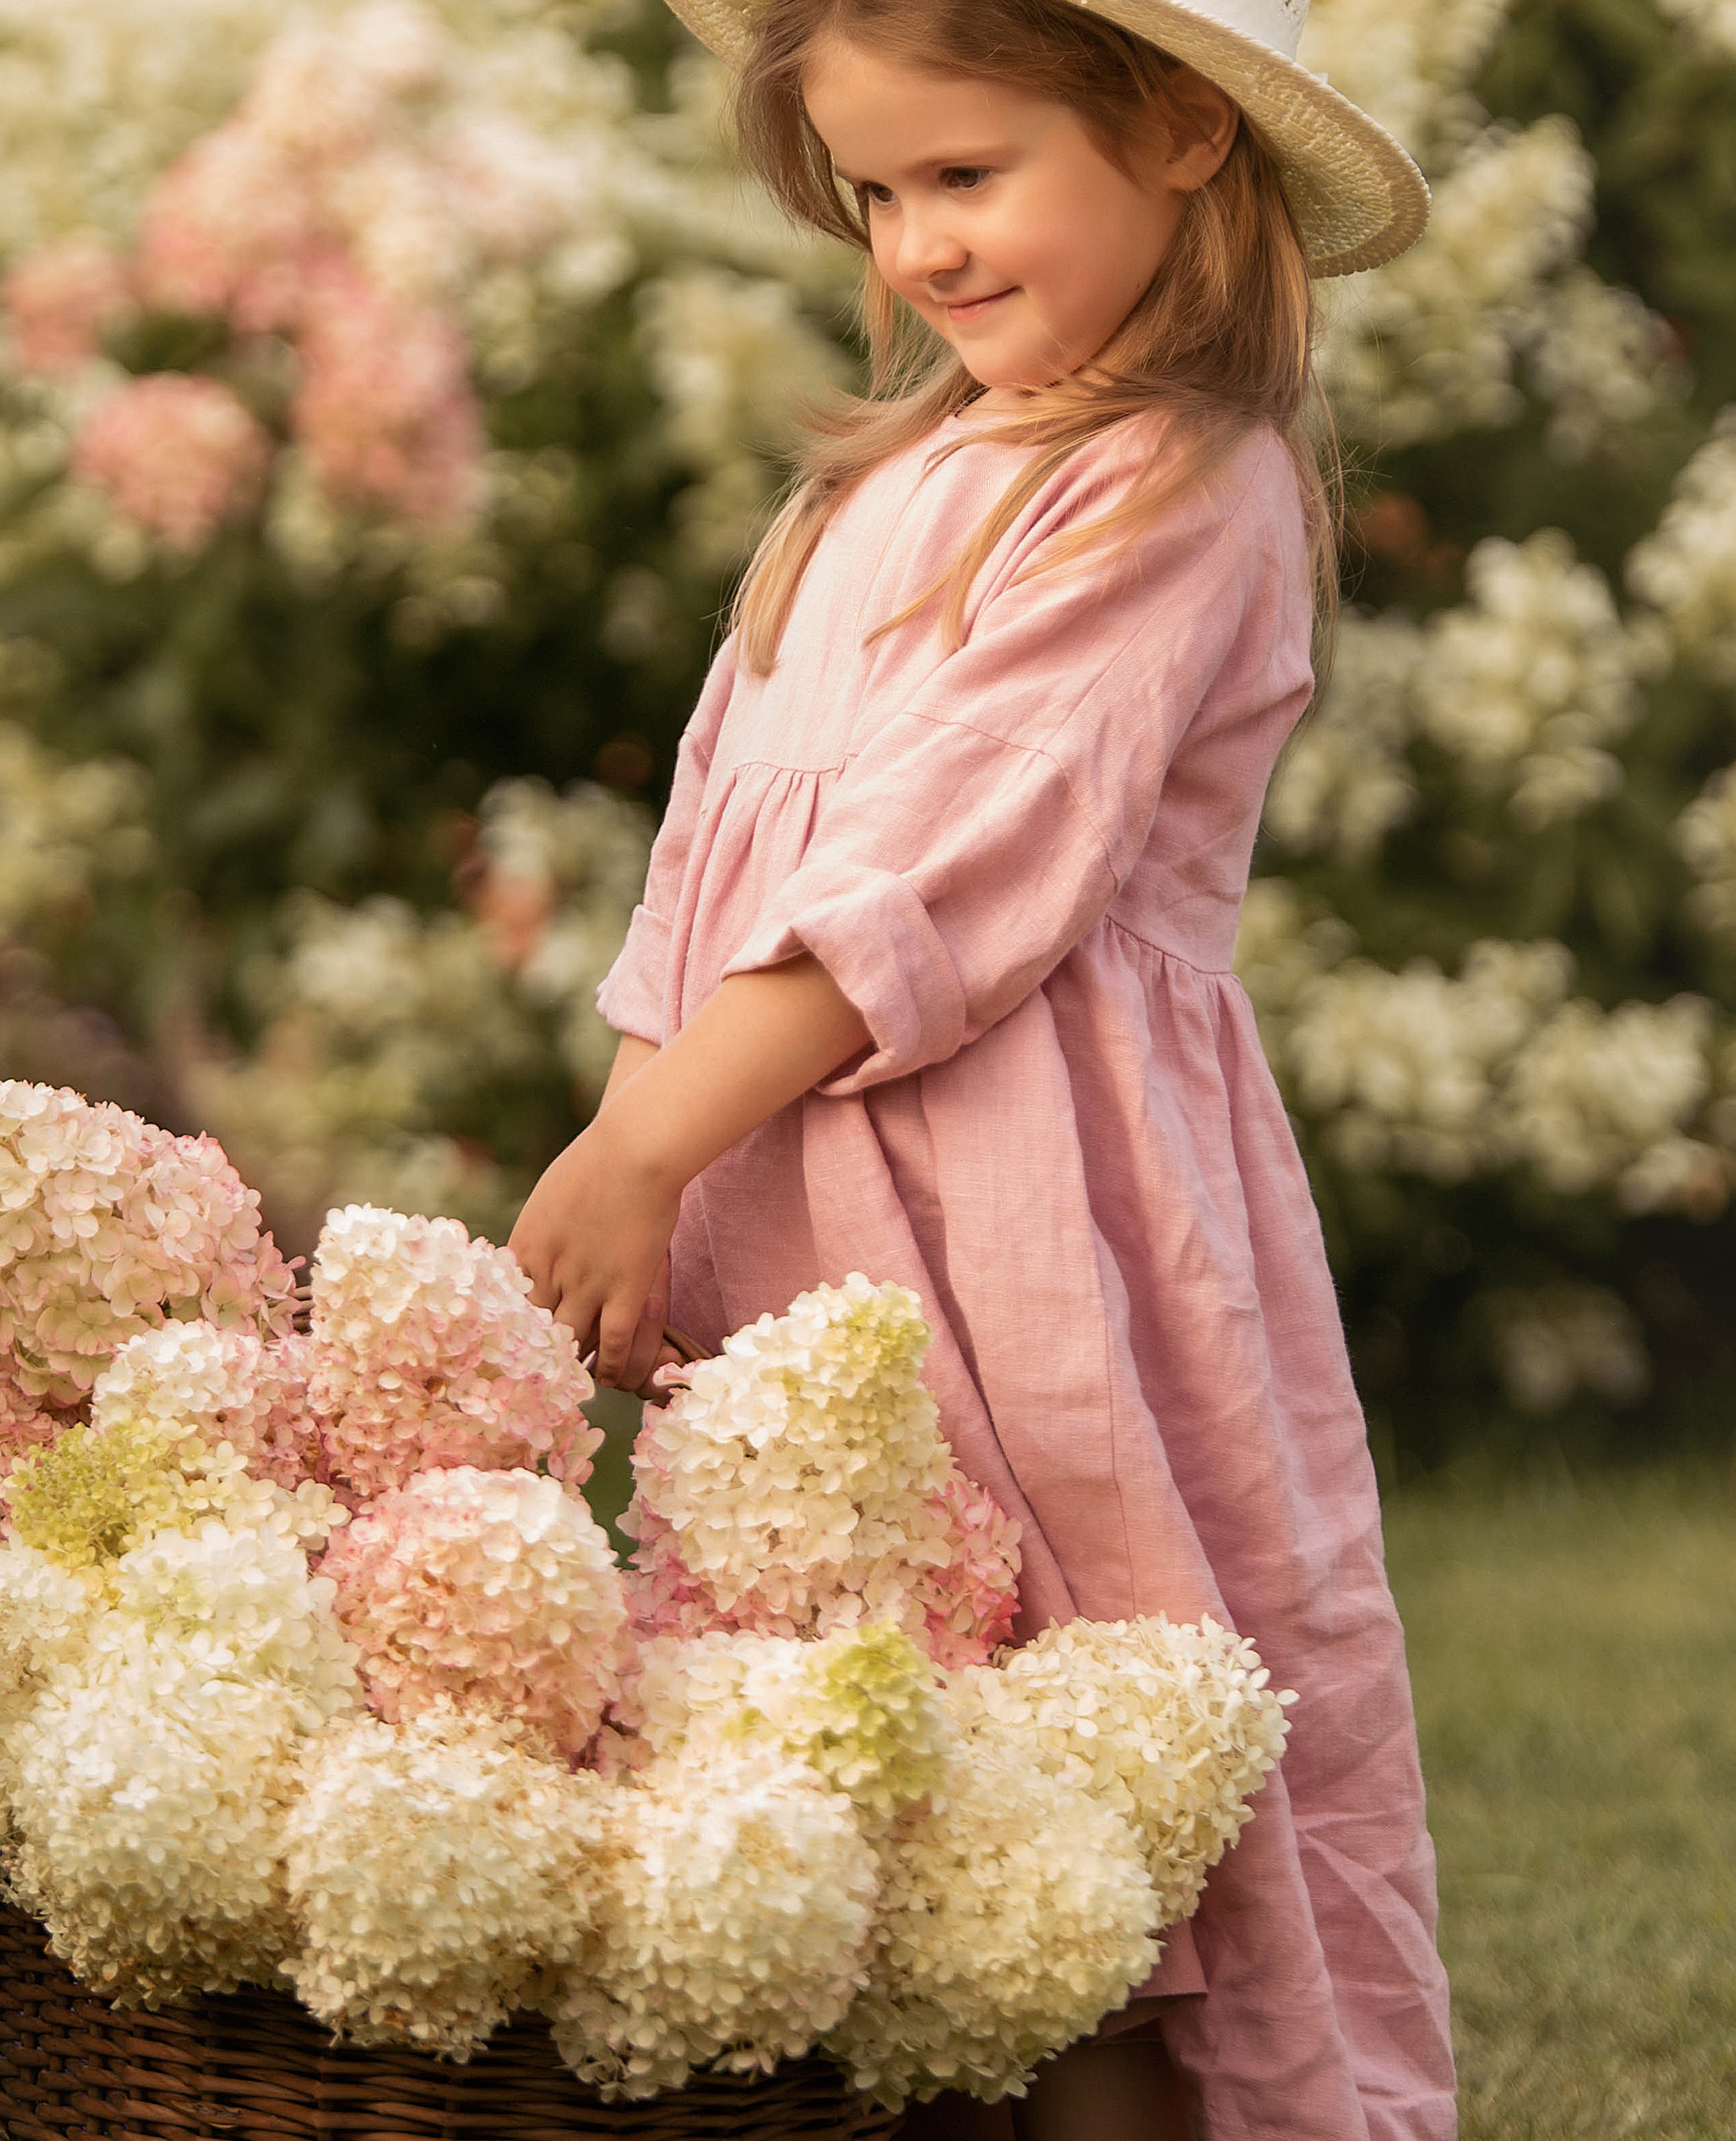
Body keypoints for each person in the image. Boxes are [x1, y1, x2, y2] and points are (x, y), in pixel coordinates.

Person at [508, 0, 1454, 2132]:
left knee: (1067, 1766)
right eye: (874, 189)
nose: (914, 242)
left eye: (965, 173)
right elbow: (718, 842)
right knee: (868, 1752)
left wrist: (656, 1126)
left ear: (1180, 134)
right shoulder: (889, 481)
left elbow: (953, 868)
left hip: (1036, 1223)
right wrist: (637, 1119)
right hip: (809, 1205)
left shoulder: (1172, 485)